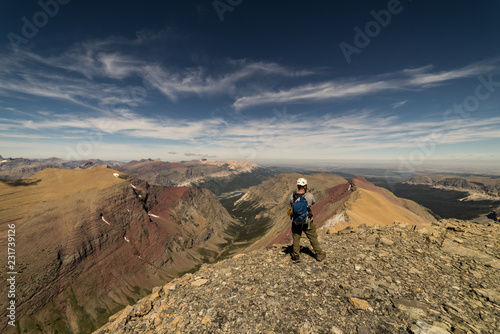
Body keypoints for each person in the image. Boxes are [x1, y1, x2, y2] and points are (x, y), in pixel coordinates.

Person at [288, 177, 326, 263]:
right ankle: (319, 255)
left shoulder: (292, 196)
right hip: (307, 221)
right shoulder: (309, 196)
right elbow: (313, 202)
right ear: (305, 186)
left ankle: (295, 256)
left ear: (298, 186)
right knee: (312, 237)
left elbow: (290, 203)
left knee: (296, 237)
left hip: (296, 221)